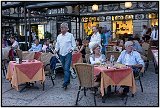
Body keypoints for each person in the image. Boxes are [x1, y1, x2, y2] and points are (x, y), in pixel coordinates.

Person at [54, 22, 76, 89]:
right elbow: (57, 45)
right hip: (61, 54)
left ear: (67, 29)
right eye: (61, 28)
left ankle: (65, 83)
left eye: (63, 28)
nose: (62, 29)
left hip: (68, 54)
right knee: (65, 68)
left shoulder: (70, 35)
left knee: (66, 68)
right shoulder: (59, 36)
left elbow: (74, 45)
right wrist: (55, 50)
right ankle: (68, 80)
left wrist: (71, 50)